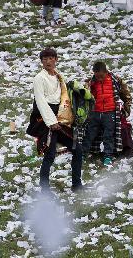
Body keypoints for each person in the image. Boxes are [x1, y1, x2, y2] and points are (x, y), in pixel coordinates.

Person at [30, 48, 83, 191]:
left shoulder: (59, 77)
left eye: (51, 58)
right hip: (46, 119)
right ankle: (44, 190)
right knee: (50, 154)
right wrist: (51, 122)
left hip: (60, 117)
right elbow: (40, 101)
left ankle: (77, 185)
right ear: (41, 61)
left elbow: (64, 98)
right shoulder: (39, 78)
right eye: (45, 59)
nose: (48, 61)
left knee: (77, 149)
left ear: (56, 60)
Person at [85, 61, 133, 166]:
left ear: (106, 72)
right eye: (97, 77)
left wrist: (127, 105)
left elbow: (125, 93)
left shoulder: (115, 81)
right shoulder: (91, 82)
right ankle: (84, 153)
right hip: (95, 113)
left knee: (109, 136)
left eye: (102, 76)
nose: (100, 79)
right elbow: (86, 96)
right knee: (90, 134)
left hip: (110, 113)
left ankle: (108, 156)